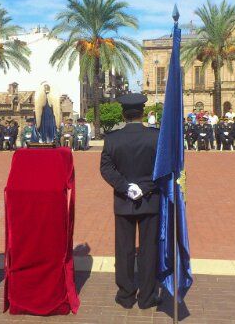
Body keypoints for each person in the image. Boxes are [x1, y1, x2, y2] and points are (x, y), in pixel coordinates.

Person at [99, 93, 160, 310]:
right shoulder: (156, 137)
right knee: (148, 249)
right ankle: (147, 296)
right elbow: (162, 170)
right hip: (150, 200)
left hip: (124, 201)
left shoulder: (112, 139)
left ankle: (125, 295)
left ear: (123, 114)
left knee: (124, 249)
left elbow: (106, 168)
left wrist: (126, 187)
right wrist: (144, 188)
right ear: (142, 113)